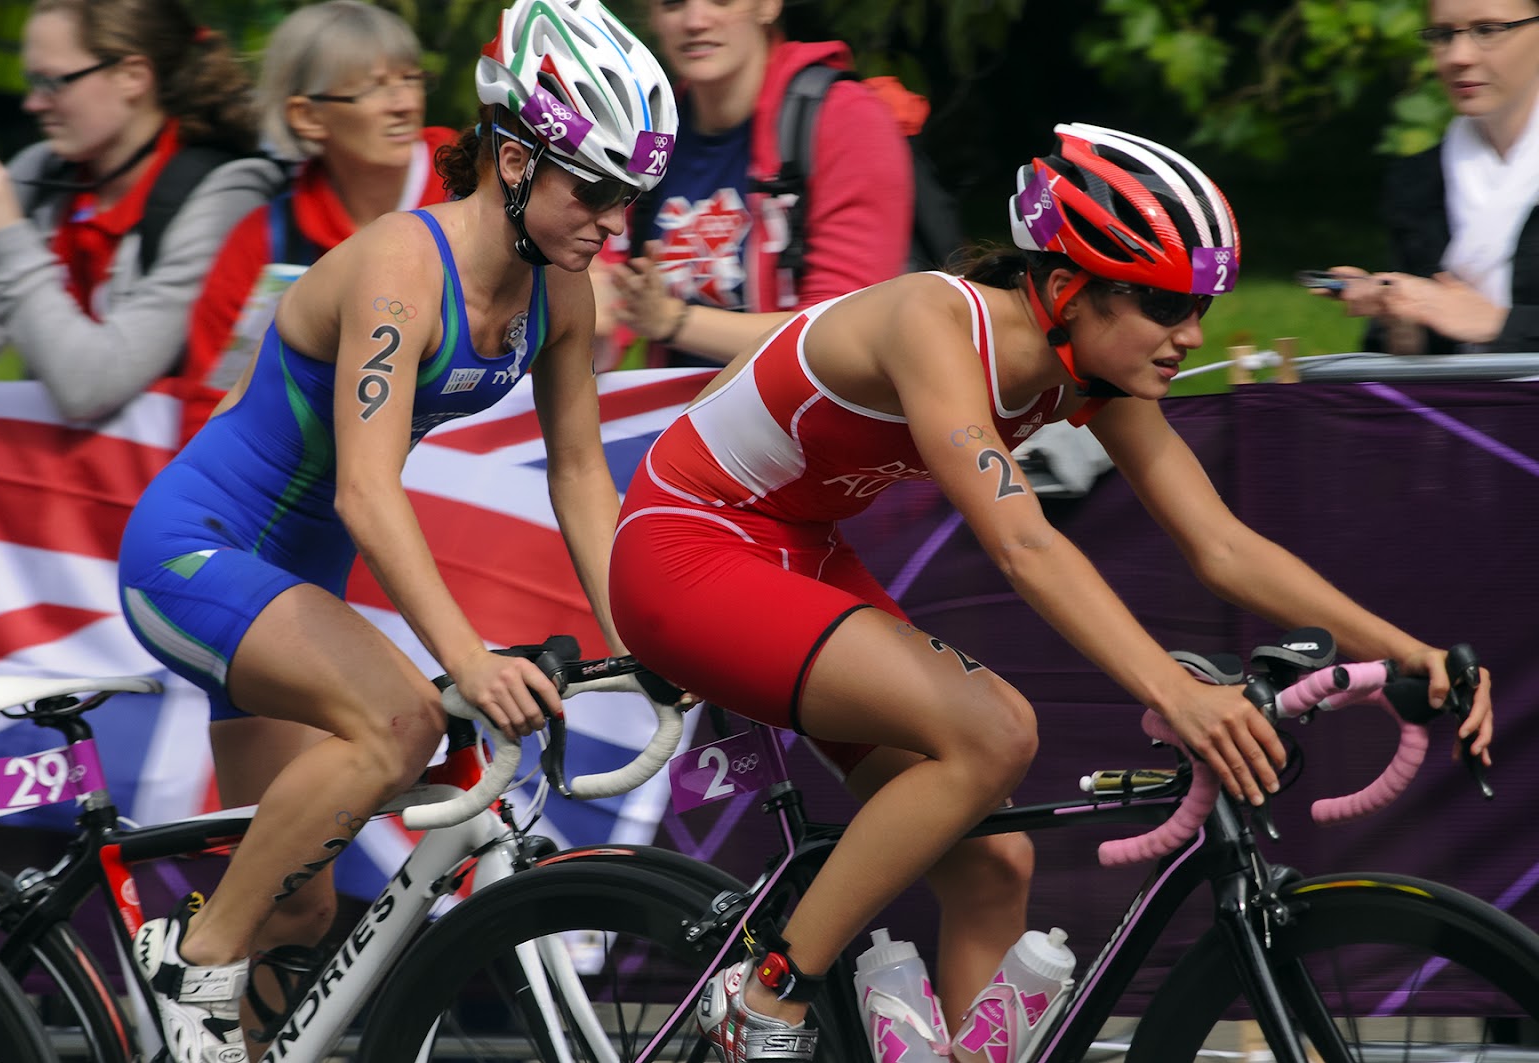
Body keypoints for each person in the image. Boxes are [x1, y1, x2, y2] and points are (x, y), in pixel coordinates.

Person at [608, 123, 1496, 1062]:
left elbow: (1223, 545)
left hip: (794, 546)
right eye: (1162, 305)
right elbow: (1025, 543)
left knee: (995, 861)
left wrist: (1406, 651)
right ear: (1070, 290)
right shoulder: (938, 323)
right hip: (687, 546)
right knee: (995, 732)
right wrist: (1176, 692)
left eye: (1199, 305)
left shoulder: (1093, 370)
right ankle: (765, 999)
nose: (1188, 335)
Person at [115, 1, 676, 1059]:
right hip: (195, 552)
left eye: (629, 197)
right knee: (402, 722)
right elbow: (366, 494)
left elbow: (578, 479)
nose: (614, 222)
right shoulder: (401, 268)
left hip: (288, 588)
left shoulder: (563, 293)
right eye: (592, 190)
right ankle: (192, 955)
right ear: (513, 159)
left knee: (298, 916)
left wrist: (642, 641)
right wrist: (467, 658)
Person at [0, 0, 282, 420]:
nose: (32, 103)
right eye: (32, 80)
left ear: (132, 77)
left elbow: (90, 389)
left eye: (52, 82)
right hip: (53, 475)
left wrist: (9, 232)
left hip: (162, 476)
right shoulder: (42, 171)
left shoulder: (224, 195)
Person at [178, 0, 461, 445]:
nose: (405, 103)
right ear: (307, 117)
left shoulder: (479, 187)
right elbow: (214, 408)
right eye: (373, 88)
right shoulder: (268, 243)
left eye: (411, 78)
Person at [593, 0, 916, 369]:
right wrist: (593, 303)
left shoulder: (847, 117)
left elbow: (846, 333)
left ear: (768, 6)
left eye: (722, 1)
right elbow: (606, 278)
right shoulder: (648, 131)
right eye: (673, 4)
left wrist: (672, 320)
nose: (696, 21)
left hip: (803, 415)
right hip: (681, 414)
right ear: (653, 18)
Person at [1329, 0, 1539, 354]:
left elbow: (1483, 324)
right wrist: (1403, 319)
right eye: (1442, 35)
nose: (1458, 56)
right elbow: (1412, 366)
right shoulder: (1417, 180)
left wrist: (1498, 325)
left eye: (1487, 30)